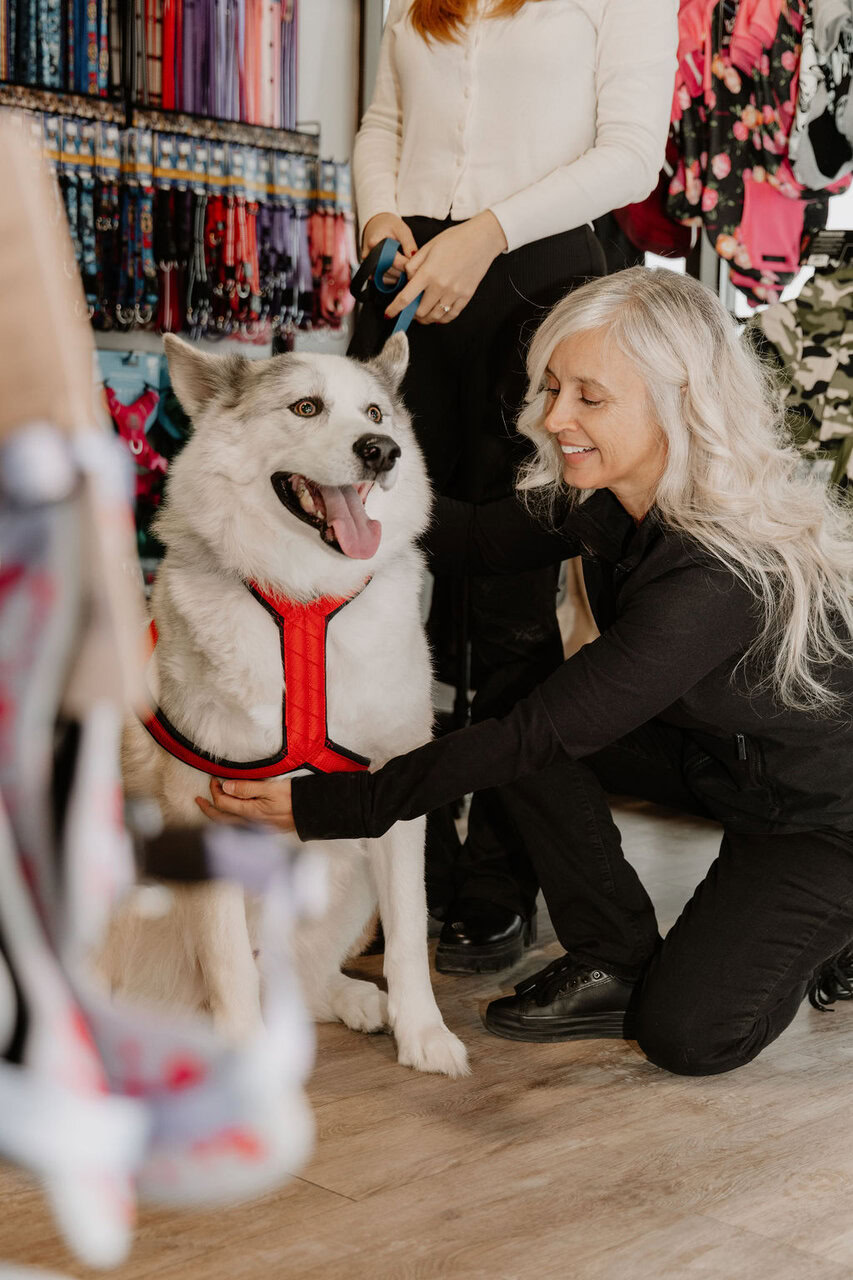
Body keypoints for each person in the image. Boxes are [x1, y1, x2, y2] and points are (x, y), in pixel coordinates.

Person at [198, 266, 853, 1078]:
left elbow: (541, 735)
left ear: (675, 398)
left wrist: (329, 804)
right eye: (550, 389)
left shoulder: (713, 576)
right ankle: (614, 954)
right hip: (719, 760)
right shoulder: (608, 496)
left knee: (687, 1037)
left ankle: (833, 931)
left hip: (822, 816)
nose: (554, 419)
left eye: (588, 396)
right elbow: (465, 538)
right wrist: (324, 500)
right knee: (513, 716)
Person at [342, 0, 679, 972]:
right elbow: (383, 124)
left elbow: (630, 157)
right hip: (405, 281)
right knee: (373, 578)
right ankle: (403, 864)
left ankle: (497, 875)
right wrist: (380, 218)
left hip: (537, 287)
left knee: (510, 607)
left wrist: (486, 231)